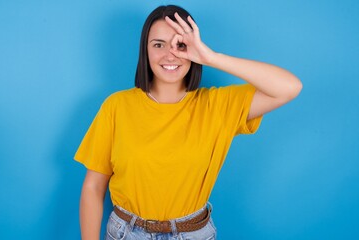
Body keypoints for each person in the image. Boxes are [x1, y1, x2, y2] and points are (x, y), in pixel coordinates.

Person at [74, 5, 302, 240]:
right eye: (158, 44)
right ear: (145, 50)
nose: (169, 55)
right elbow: (93, 187)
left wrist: (211, 57)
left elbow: (289, 87)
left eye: (180, 44)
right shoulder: (116, 106)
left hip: (192, 234)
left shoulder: (217, 105)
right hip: (126, 233)